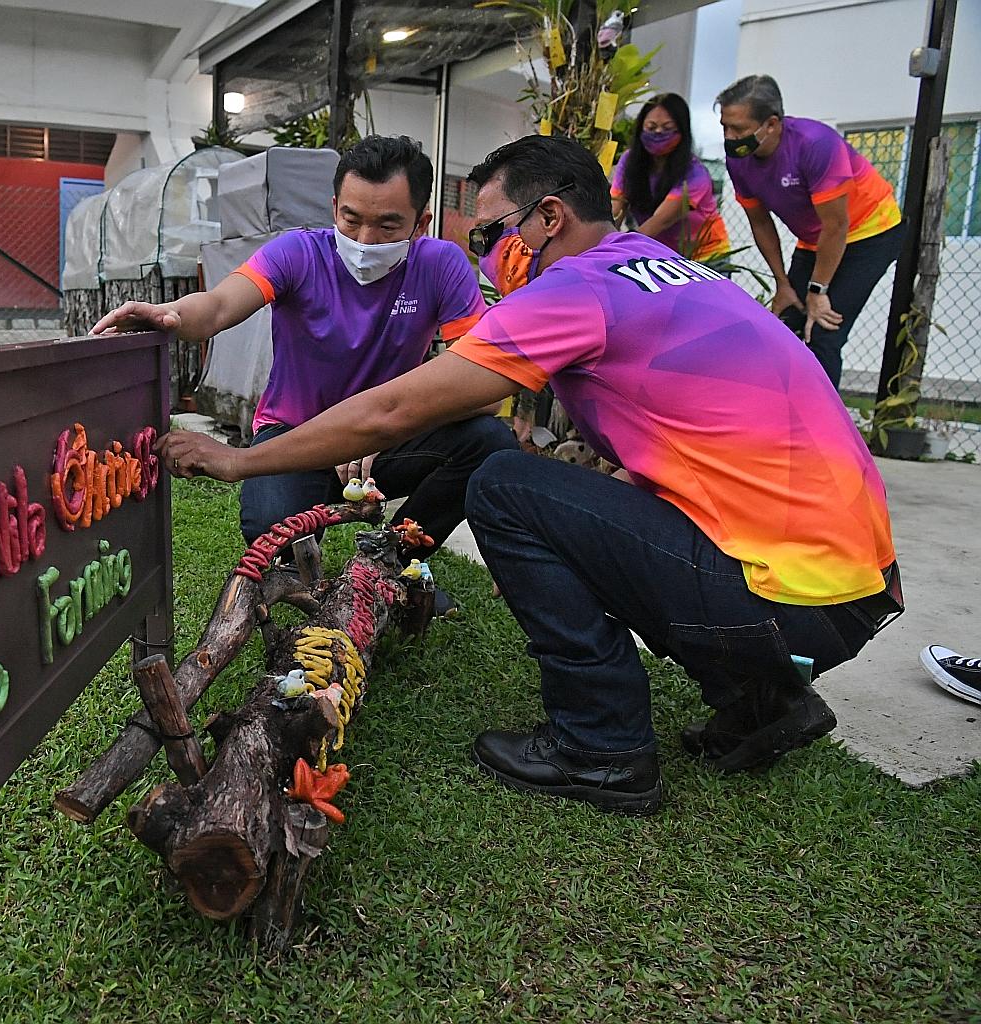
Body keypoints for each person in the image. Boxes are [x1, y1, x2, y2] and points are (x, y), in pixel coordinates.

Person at [158, 135, 903, 816]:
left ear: (547, 218)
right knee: (572, 498)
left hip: (781, 596)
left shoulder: (569, 290)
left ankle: (603, 745)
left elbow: (393, 411)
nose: (485, 258)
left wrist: (236, 459)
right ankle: (764, 698)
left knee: (505, 485)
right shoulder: (665, 269)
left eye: (490, 235)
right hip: (853, 589)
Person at [91, 135, 517, 561]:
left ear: (420, 224)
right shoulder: (297, 253)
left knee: (489, 442)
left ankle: (393, 560)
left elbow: (483, 391)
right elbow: (218, 305)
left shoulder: (441, 265)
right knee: (271, 529)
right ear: (334, 208)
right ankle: (303, 570)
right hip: (294, 435)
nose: (365, 239)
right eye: (351, 220)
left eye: (387, 226)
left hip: (388, 440)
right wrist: (170, 314)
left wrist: (390, 427)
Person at [718, 74, 904, 388]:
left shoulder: (816, 144)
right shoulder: (739, 161)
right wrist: (782, 283)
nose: (729, 136)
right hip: (816, 238)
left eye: (738, 129)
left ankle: (824, 418)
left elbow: (837, 225)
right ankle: (781, 409)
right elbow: (760, 222)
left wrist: (818, 292)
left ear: (771, 124)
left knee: (822, 332)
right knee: (785, 324)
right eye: (724, 127)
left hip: (869, 231)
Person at [611, 93, 732, 262]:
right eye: (651, 127)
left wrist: (616, 250)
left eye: (667, 128)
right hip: (661, 255)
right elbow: (615, 208)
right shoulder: (629, 161)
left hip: (706, 257)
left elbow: (661, 221)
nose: (658, 132)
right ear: (640, 128)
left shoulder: (694, 173)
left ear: (682, 131)